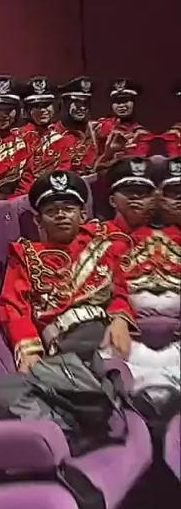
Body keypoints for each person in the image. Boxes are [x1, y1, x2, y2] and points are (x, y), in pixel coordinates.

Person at [0, 170, 136, 373]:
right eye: (51, 211)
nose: (61, 215)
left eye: (69, 209)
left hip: (109, 335)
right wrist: (30, 351)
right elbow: (14, 307)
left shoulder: (102, 243)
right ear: (38, 221)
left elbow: (121, 288)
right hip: (65, 347)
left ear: (83, 215)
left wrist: (120, 319)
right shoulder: (26, 256)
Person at [103, 157, 180, 387]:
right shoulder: (101, 238)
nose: (136, 198)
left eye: (143, 193)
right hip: (129, 335)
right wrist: (119, 316)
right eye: (130, 192)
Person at [16, 76, 71, 191]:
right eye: (36, 106)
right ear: (27, 110)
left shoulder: (61, 140)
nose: (42, 110)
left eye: (46, 105)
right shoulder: (17, 137)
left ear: (54, 107)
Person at [95, 78, 148, 165]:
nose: (121, 105)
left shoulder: (141, 133)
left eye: (125, 100)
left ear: (135, 102)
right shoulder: (101, 127)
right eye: (117, 101)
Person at [58, 76, 98, 174]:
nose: (82, 108)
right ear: (66, 104)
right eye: (78, 103)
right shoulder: (53, 133)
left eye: (86, 103)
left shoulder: (96, 130)